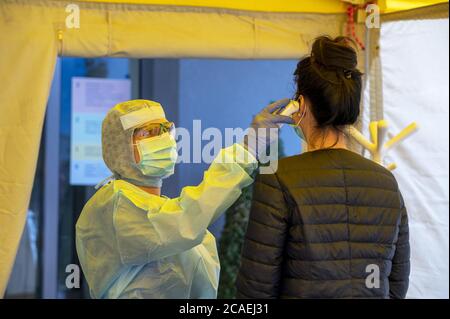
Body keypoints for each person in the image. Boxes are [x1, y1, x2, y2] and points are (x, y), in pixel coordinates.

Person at [236, 36, 410, 299]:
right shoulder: (386, 182)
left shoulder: (279, 178)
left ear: (302, 106)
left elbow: (256, 290)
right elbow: (396, 284)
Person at [75, 99, 293, 299]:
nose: (162, 138)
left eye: (165, 129)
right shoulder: (114, 205)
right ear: (121, 147)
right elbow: (186, 221)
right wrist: (249, 148)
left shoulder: (159, 207)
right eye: (148, 132)